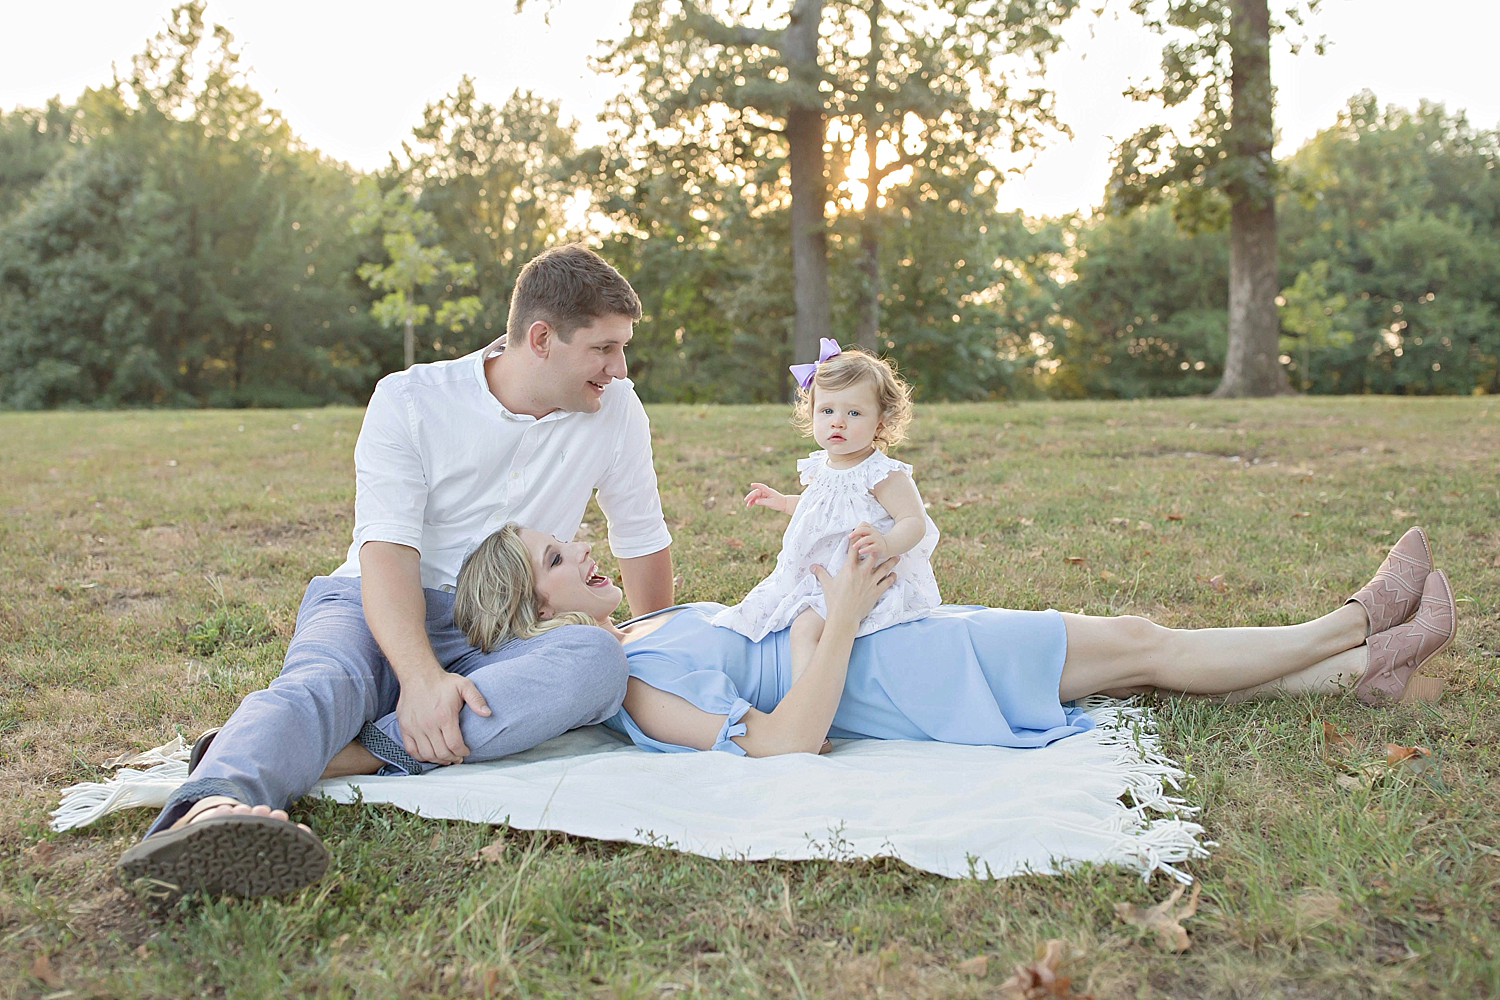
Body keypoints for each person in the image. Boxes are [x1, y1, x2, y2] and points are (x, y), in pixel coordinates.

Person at [116, 244, 675, 898]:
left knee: (596, 662)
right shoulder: (412, 400)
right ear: (542, 339)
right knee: (323, 682)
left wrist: (660, 646)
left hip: (501, 635)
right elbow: (387, 551)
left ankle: (341, 752)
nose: (620, 367)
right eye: (604, 349)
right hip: (374, 600)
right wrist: (419, 679)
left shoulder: (616, 411)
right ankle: (209, 813)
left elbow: (640, 537)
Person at [337, 522, 1452, 764]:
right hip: (901, 672)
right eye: (551, 557)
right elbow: (781, 744)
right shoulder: (627, 685)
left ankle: (1364, 670)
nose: (581, 545)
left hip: (898, 637)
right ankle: (1355, 619)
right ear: (529, 612)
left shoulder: (651, 623)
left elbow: (785, 629)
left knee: (1138, 649)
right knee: (1144, 642)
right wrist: (844, 616)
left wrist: (830, 592)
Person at [712, 341, 941, 683]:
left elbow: (914, 522)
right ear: (812, 413)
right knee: (764, 613)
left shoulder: (881, 473)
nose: (839, 422)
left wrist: (886, 543)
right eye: (827, 411)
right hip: (817, 572)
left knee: (805, 629)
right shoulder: (821, 466)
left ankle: (809, 720)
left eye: (854, 413)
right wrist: (783, 501)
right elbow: (819, 510)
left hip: (859, 578)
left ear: (881, 423)